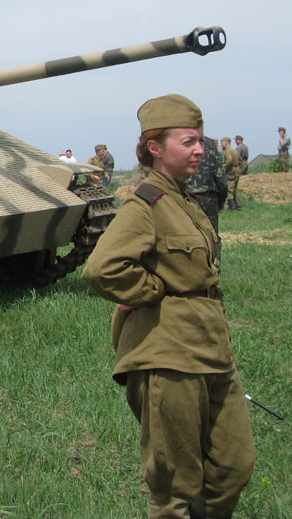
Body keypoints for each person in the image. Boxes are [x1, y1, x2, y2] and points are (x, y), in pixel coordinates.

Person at [82, 94, 255, 519]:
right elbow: (102, 269)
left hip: (211, 348)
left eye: (200, 141)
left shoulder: (185, 200)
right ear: (154, 147)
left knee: (233, 467)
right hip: (169, 355)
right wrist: (153, 290)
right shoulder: (145, 204)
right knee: (175, 487)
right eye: (187, 142)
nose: (199, 150)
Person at [186, 136, 227, 259]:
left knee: (185, 235)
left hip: (184, 195)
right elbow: (220, 175)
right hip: (207, 196)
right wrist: (222, 199)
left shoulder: (179, 140)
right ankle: (213, 266)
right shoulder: (210, 144)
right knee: (211, 236)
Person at [221, 137, 244, 210]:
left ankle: (232, 207)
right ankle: (238, 205)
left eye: (222, 143)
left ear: (225, 143)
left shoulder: (228, 150)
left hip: (231, 172)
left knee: (229, 190)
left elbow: (229, 160)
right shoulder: (234, 150)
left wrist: (224, 168)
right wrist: (239, 170)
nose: (221, 145)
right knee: (234, 190)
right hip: (236, 172)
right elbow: (241, 162)